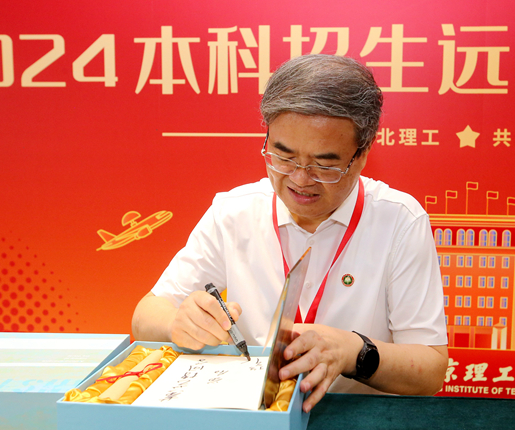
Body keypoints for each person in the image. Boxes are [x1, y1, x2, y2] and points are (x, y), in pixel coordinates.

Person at [132, 54, 448, 412]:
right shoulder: (234, 212)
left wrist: (353, 351)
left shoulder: (399, 221)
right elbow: (144, 317)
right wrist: (177, 322)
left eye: (324, 165)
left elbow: (431, 370)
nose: (300, 180)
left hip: (355, 415)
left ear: (361, 155)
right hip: (254, 415)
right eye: (283, 158)